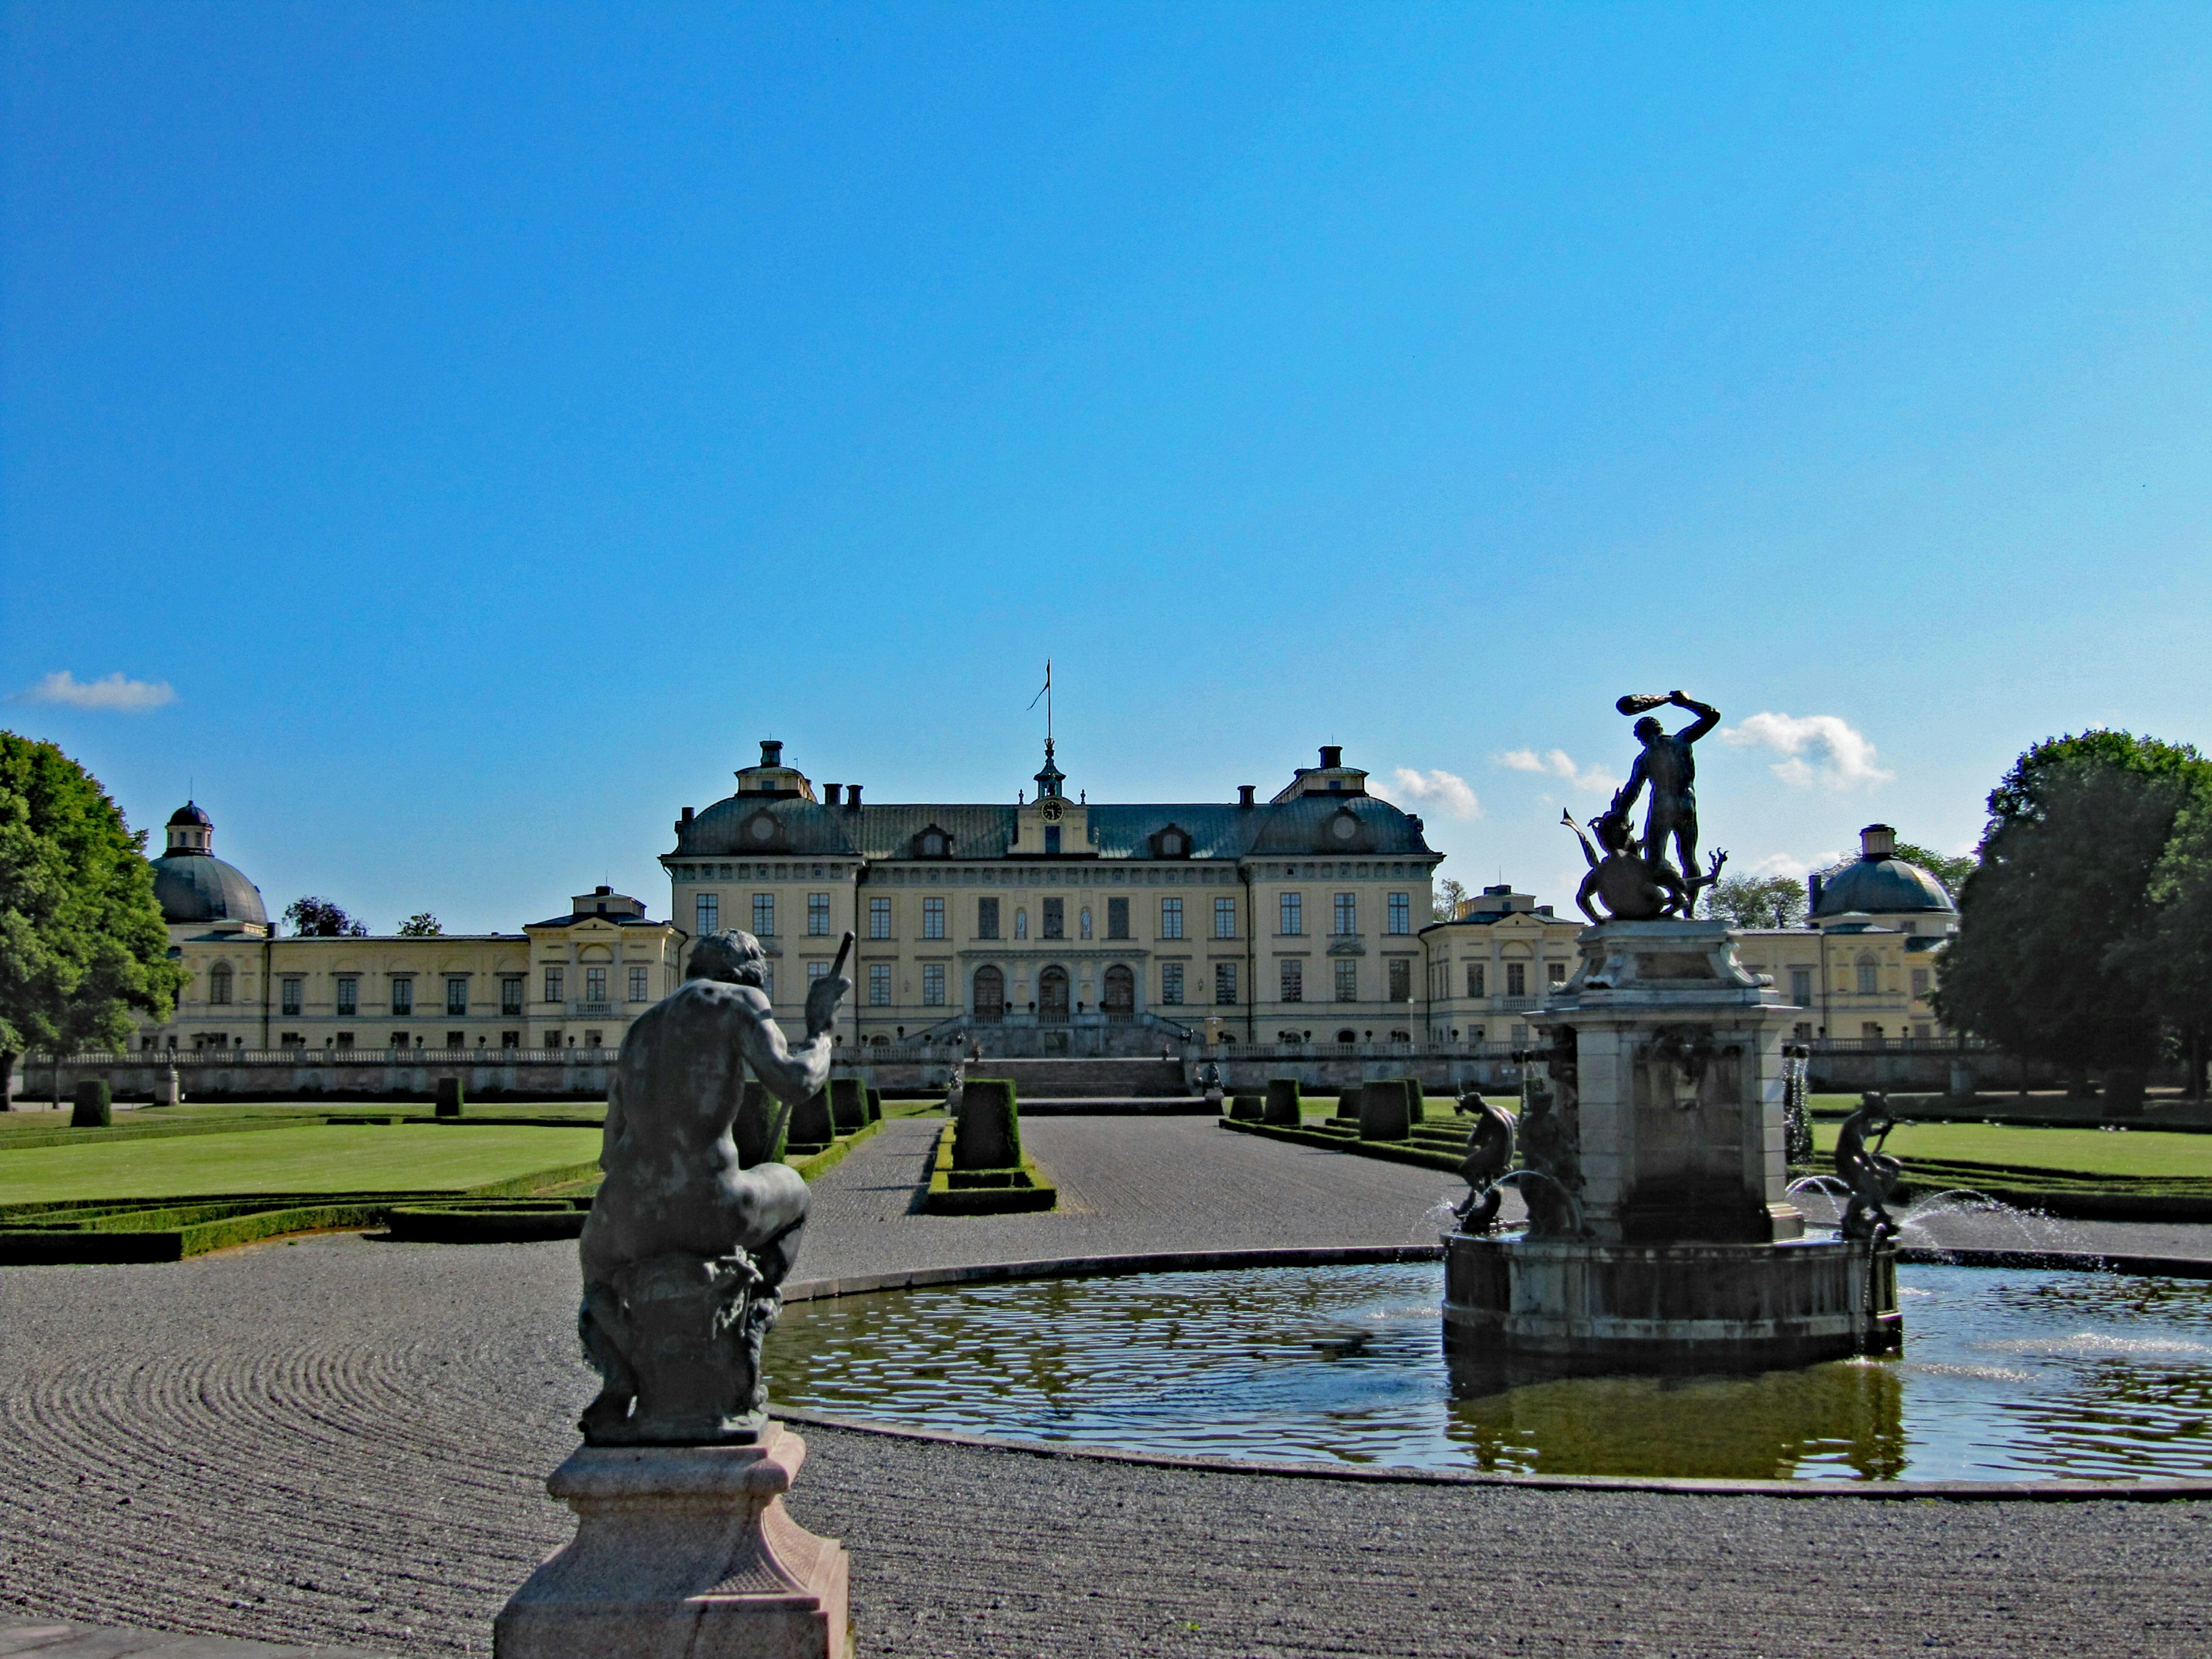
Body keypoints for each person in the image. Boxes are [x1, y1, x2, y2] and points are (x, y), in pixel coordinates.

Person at [577, 928, 850, 1440]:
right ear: (747, 978)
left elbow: (610, 1154)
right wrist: (822, 1030)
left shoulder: (640, 1029)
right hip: (710, 1206)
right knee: (797, 1195)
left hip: (622, 1220)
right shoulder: (739, 1002)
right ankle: (749, 1323)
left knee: (597, 1282)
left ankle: (620, 1381)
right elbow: (796, 1082)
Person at [1610, 690, 1720, 885]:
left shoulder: (1644, 759)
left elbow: (1632, 791)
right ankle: (1689, 909)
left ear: (1645, 734)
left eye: (1638, 736)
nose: (1640, 740)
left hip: (1662, 807)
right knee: (1688, 857)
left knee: (1655, 858)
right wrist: (1687, 703)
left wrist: (1620, 814)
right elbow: (1712, 715)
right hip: (1687, 804)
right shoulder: (1682, 741)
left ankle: (1669, 899)